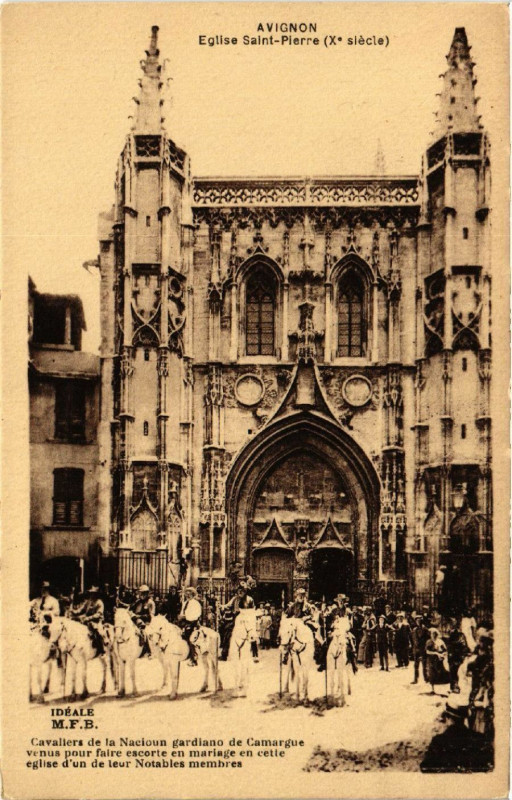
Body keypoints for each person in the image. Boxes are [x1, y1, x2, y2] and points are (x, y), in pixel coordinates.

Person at [420, 700, 493, 772]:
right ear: (464, 718)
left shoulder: (439, 742)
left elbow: (426, 769)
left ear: (447, 718)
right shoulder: (479, 739)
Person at [220, 581, 256, 661]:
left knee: (251, 634)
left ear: (245, 591)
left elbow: (252, 611)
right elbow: (227, 606)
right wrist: (221, 606)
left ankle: (254, 654)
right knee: (227, 632)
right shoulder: (235, 599)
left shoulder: (249, 600)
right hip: (235, 618)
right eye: (239, 590)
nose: (240, 592)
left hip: (246, 619)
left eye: (242, 590)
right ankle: (224, 653)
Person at [72, 586, 106, 655]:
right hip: (86, 620)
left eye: (93, 594)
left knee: (98, 632)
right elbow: (81, 609)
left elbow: (98, 614)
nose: (92, 595)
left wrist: (88, 618)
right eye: (91, 593)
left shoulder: (99, 602)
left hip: (96, 621)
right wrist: (74, 612)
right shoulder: (88, 601)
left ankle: (101, 649)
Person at [178, 587, 203, 666]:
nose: (187, 596)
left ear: (193, 595)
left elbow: (195, 615)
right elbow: (182, 612)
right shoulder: (185, 603)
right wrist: (181, 616)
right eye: (186, 594)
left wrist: (185, 617)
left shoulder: (196, 604)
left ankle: (194, 658)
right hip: (184, 623)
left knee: (191, 639)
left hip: (193, 623)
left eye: (189, 594)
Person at [129, 585, 156, 653]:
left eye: (143, 593)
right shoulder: (137, 602)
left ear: (146, 593)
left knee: (145, 633)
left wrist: (139, 617)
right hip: (135, 621)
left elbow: (151, 616)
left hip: (146, 622)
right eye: (140, 593)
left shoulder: (150, 603)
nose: (141, 595)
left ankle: (148, 650)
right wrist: (131, 614)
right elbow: (130, 609)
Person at [446, 617, 470, 693]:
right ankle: (453, 687)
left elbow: (464, 646)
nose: (450, 626)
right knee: (452, 672)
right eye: (450, 624)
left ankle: (456, 687)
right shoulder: (450, 634)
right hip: (451, 657)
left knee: (456, 672)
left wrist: (462, 656)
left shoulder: (460, 635)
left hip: (457, 657)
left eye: (451, 625)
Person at [425, 627, 449, 693]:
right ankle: (432, 689)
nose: (433, 635)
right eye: (432, 634)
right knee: (432, 674)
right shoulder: (429, 642)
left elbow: (445, 650)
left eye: (434, 634)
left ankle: (445, 689)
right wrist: (435, 653)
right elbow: (427, 651)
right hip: (431, 660)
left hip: (440, 660)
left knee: (442, 673)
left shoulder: (440, 641)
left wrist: (443, 654)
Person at [411, 615, 429, 684]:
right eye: (417, 620)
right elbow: (413, 640)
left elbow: (428, 639)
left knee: (424, 665)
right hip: (416, 650)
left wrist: (426, 648)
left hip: (423, 649)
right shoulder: (414, 630)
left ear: (421, 621)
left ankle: (426, 678)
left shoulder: (425, 629)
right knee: (416, 665)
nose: (418, 622)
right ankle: (415, 679)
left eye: (419, 620)